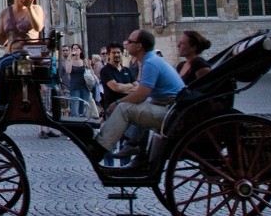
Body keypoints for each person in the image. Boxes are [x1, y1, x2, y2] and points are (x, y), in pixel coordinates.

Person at [89, 29, 186, 170]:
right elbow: (137, 90)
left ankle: (100, 148)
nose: (126, 44)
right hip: (170, 108)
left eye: (130, 41)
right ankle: (135, 147)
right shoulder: (149, 60)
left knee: (124, 109)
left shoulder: (151, 63)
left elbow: (141, 93)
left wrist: (117, 103)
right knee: (134, 106)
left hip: (171, 112)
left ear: (139, 46)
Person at [98, 42, 137, 166]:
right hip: (112, 110)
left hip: (127, 110)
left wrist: (125, 87)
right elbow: (115, 87)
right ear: (108, 55)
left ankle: (124, 167)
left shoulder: (127, 70)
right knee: (110, 142)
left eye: (119, 52)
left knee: (125, 142)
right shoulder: (105, 71)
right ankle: (109, 167)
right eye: (114, 53)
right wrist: (130, 87)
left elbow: (138, 87)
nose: (117, 55)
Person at [64, 44, 91, 118]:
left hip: (85, 87)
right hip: (75, 87)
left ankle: (82, 126)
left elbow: (90, 72)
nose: (75, 50)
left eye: (77, 48)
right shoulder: (69, 61)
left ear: (80, 51)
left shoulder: (84, 61)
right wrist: (71, 57)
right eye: (73, 48)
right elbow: (68, 71)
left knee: (83, 111)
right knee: (75, 110)